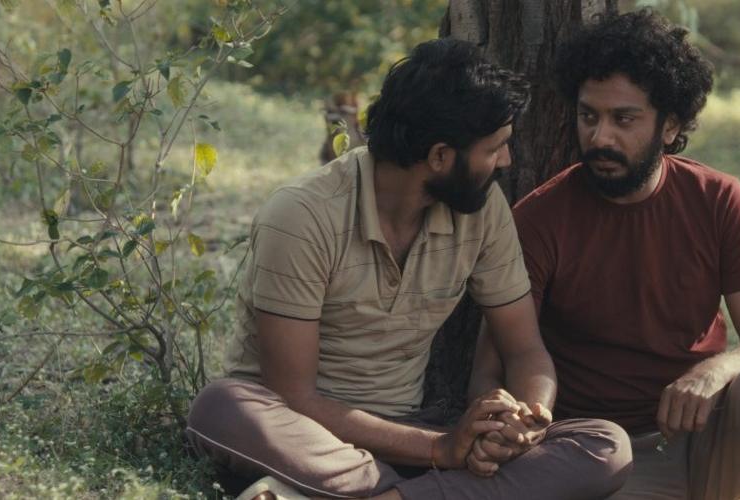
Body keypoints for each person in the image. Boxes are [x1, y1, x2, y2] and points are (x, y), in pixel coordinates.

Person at [186, 38, 632, 500]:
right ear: (439, 157)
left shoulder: (482, 210)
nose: (507, 161)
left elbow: (524, 351)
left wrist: (527, 420)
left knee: (604, 447)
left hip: (410, 435)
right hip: (307, 438)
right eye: (495, 148)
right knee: (220, 407)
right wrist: (442, 449)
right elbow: (295, 398)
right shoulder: (302, 216)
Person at [470, 10, 740, 500]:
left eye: (624, 119)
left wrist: (714, 371)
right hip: (605, 454)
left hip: (704, 438)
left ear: (670, 125)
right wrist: (509, 423)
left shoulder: (718, 199)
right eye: (588, 116)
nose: (600, 137)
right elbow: (494, 363)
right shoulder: (539, 219)